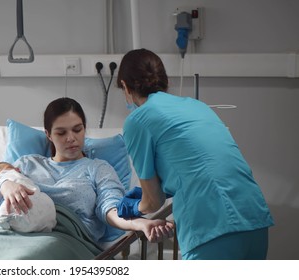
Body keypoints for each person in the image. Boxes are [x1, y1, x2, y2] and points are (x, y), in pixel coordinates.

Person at [0, 97, 173, 259]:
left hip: (61, 237)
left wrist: (141, 224)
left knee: (24, 262)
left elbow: (110, 210)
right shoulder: (26, 164)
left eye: (77, 129)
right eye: (61, 132)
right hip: (5, 232)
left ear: (85, 129)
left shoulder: (97, 168)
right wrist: (5, 186)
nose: (71, 139)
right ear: (48, 134)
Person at [116, 48, 274, 260]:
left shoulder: (137, 120)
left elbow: (153, 202)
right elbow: (203, 162)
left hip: (212, 226)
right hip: (253, 218)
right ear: (166, 81)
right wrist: (167, 186)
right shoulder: (198, 106)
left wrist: (135, 206)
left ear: (125, 86)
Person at [0, 161, 57, 233]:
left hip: (28, 206)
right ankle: (47, 226)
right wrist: (4, 183)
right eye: (10, 168)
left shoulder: (22, 174)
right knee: (10, 204)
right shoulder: (2, 177)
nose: (17, 169)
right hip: (38, 207)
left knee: (9, 206)